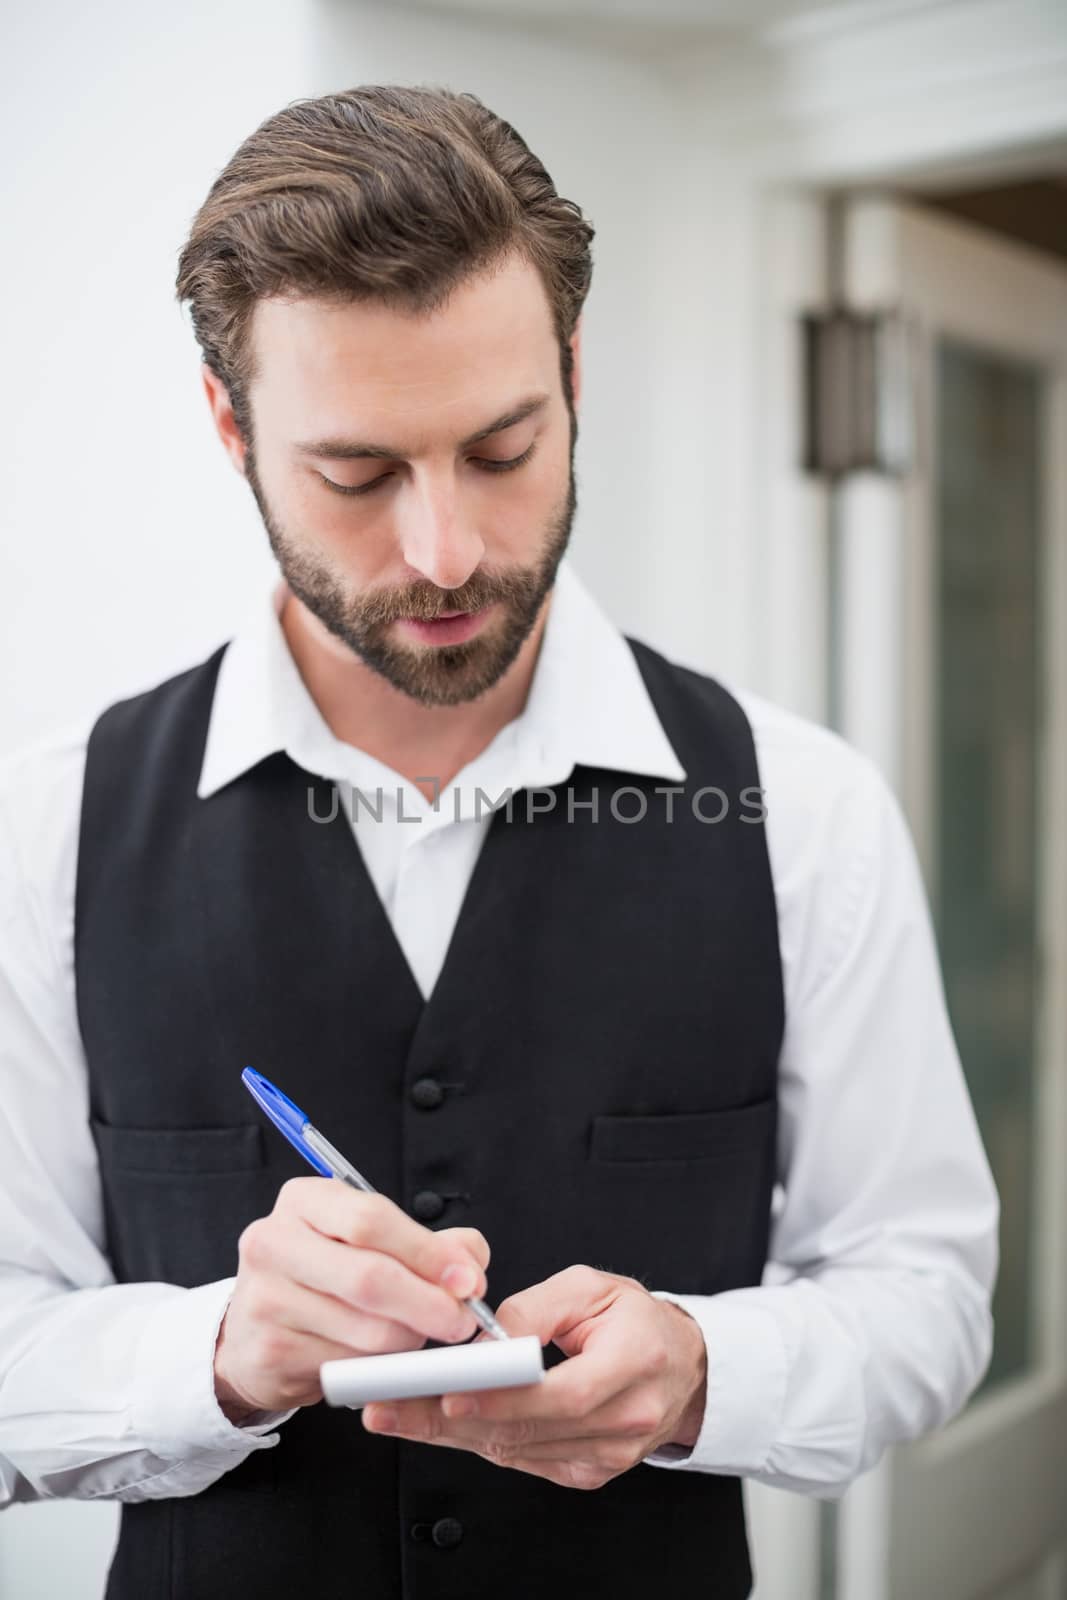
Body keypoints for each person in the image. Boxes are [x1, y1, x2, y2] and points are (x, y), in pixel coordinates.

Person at [0, 84, 998, 1599]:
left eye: (503, 446)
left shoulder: (805, 811)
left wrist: (705, 1367)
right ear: (230, 425)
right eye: (356, 475)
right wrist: (214, 1351)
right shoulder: (49, 825)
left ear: (574, 376)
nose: (446, 553)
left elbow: (927, 1301)